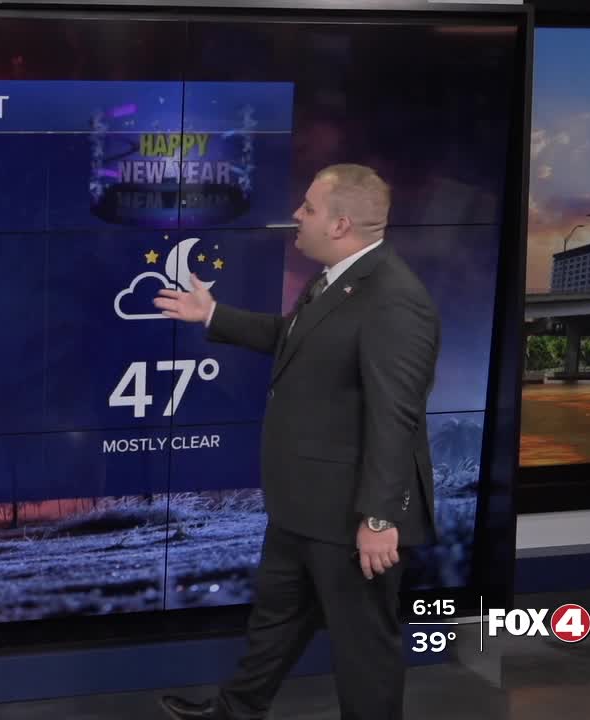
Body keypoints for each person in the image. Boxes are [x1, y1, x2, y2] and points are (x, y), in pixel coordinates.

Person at [152, 164, 440, 720]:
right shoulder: (335, 280)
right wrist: (213, 314)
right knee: (276, 622)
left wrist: (379, 517)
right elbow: (294, 338)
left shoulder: (395, 299)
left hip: (352, 516)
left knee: (364, 649)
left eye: (308, 208)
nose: (296, 216)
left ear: (340, 224)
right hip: (303, 506)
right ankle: (236, 711)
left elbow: (395, 416)